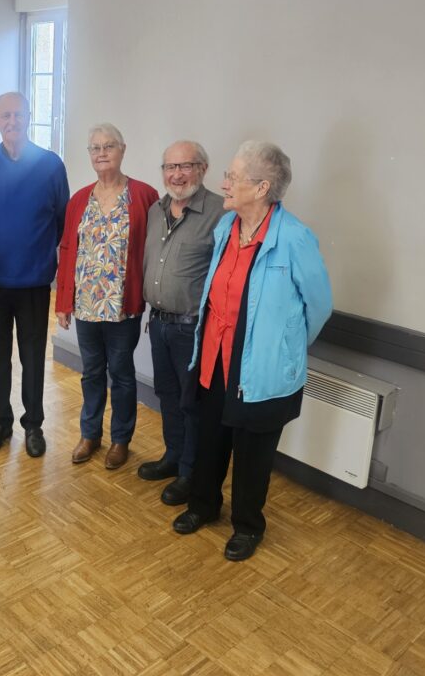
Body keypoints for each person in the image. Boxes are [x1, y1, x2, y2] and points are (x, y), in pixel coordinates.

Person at [172, 141, 332, 561]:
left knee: (253, 452)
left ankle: (247, 525)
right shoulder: (226, 228)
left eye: (233, 176)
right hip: (214, 355)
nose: (224, 183)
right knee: (210, 439)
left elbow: (319, 306)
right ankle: (203, 506)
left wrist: (283, 349)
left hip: (261, 367)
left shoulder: (294, 239)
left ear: (262, 188)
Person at [0, 92, 69, 458]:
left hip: (34, 282)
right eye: (5, 115)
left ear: (29, 117)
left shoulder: (51, 165)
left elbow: (60, 222)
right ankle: (1, 422)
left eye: (18, 114)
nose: (12, 121)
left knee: (32, 358)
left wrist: (37, 253)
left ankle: (34, 425)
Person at [55, 123, 159, 470]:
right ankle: (90, 434)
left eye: (108, 146)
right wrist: (63, 302)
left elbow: (151, 250)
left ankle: (120, 439)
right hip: (86, 305)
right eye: (95, 148)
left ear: (122, 150)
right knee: (91, 373)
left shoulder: (143, 195)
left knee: (123, 374)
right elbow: (69, 248)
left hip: (122, 308)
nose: (101, 153)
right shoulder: (79, 199)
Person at [140, 140, 225, 506]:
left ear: (203, 169)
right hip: (157, 323)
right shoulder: (156, 210)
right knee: (168, 396)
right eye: (169, 167)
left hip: (193, 328)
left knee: (193, 405)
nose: (176, 174)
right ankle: (173, 456)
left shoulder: (220, 215)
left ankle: (191, 473)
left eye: (185, 166)